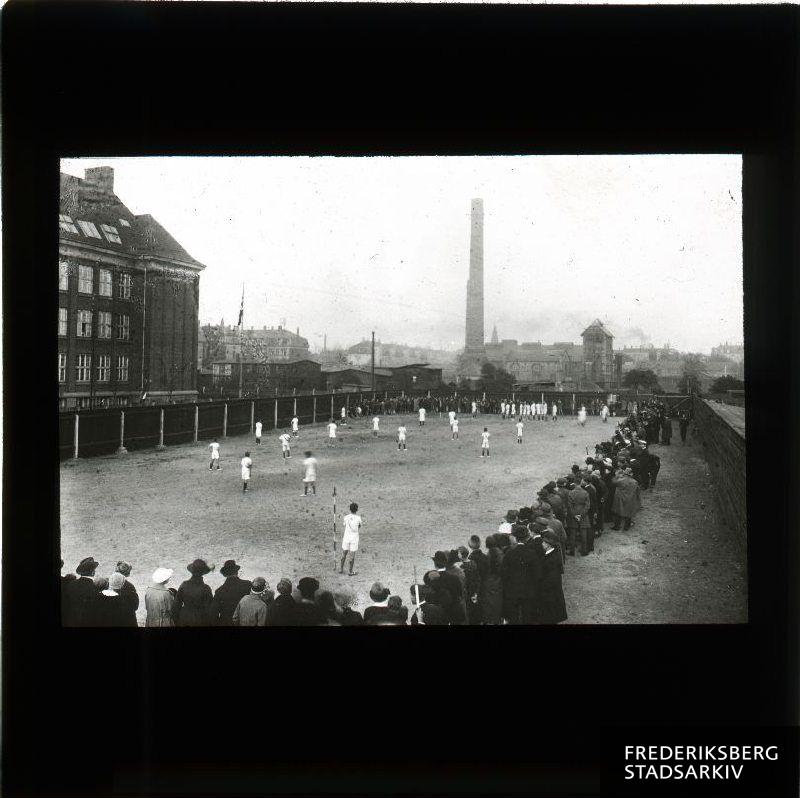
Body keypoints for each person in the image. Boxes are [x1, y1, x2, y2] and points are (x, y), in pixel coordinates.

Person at [174, 559, 215, 626]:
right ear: (203, 573)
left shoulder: (184, 585)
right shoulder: (206, 588)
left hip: (184, 619)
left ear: (192, 571)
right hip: (200, 620)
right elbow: (210, 609)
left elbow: (176, 606)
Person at [212, 560, 252, 625]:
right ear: (237, 572)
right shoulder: (247, 585)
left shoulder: (219, 591)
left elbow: (214, 614)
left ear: (225, 574)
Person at [64, 556, 101, 626]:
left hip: (71, 621)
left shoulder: (71, 584)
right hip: (88, 622)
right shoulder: (95, 587)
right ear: (93, 572)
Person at [566, 479, 592, 556]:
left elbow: (569, 506)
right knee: (583, 533)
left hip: (573, 514)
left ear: (574, 484)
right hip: (583, 515)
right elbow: (588, 506)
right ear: (581, 483)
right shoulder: (585, 492)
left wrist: (574, 515)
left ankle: (572, 551)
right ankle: (584, 551)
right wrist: (581, 515)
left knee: (572, 534)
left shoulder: (571, 493)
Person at [339, 502, 362, 575]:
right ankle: (350, 571)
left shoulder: (346, 517)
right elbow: (359, 526)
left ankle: (341, 569)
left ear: (350, 509)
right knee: (352, 555)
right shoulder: (358, 518)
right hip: (354, 538)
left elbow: (344, 525)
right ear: (357, 509)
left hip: (346, 537)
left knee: (344, 554)